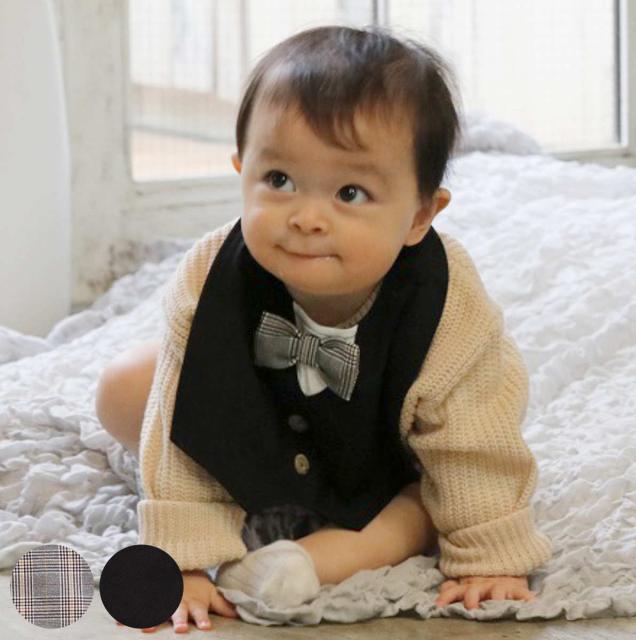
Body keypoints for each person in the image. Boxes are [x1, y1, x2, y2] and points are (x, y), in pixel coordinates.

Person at [96, 24, 552, 633]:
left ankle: (311, 560)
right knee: (127, 388)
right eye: (279, 181)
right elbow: (191, 415)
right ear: (241, 172)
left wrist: (490, 554)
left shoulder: (446, 302)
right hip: (259, 432)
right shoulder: (211, 275)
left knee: (424, 505)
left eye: (351, 192)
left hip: (379, 457)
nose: (307, 218)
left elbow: (474, 436)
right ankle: (242, 516)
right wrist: (182, 557)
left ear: (420, 215)